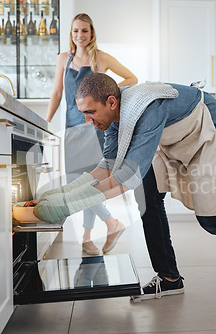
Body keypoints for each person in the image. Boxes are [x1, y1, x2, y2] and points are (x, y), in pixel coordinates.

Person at [34, 72, 216, 301]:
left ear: (111, 102)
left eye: (90, 112)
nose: (88, 121)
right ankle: (169, 278)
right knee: (147, 198)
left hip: (210, 133)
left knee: (212, 219)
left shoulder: (147, 109)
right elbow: (109, 164)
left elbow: (128, 176)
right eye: (84, 113)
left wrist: (70, 204)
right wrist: (63, 193)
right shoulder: (111, 117)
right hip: (175, 139)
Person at [45, 13, 138, 255]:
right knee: (78, 181)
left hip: (94, 128)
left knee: (89, 181)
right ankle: (105, 226)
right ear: (71, 33)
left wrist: (111, 97)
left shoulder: (101, 59)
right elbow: (57, 93)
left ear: (91, 32)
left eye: (84, 31)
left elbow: (132, 77)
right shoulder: (63, 59)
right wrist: (45, 121)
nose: (80, 35)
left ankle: (95, 232)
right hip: (71, 128)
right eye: (75, 31)